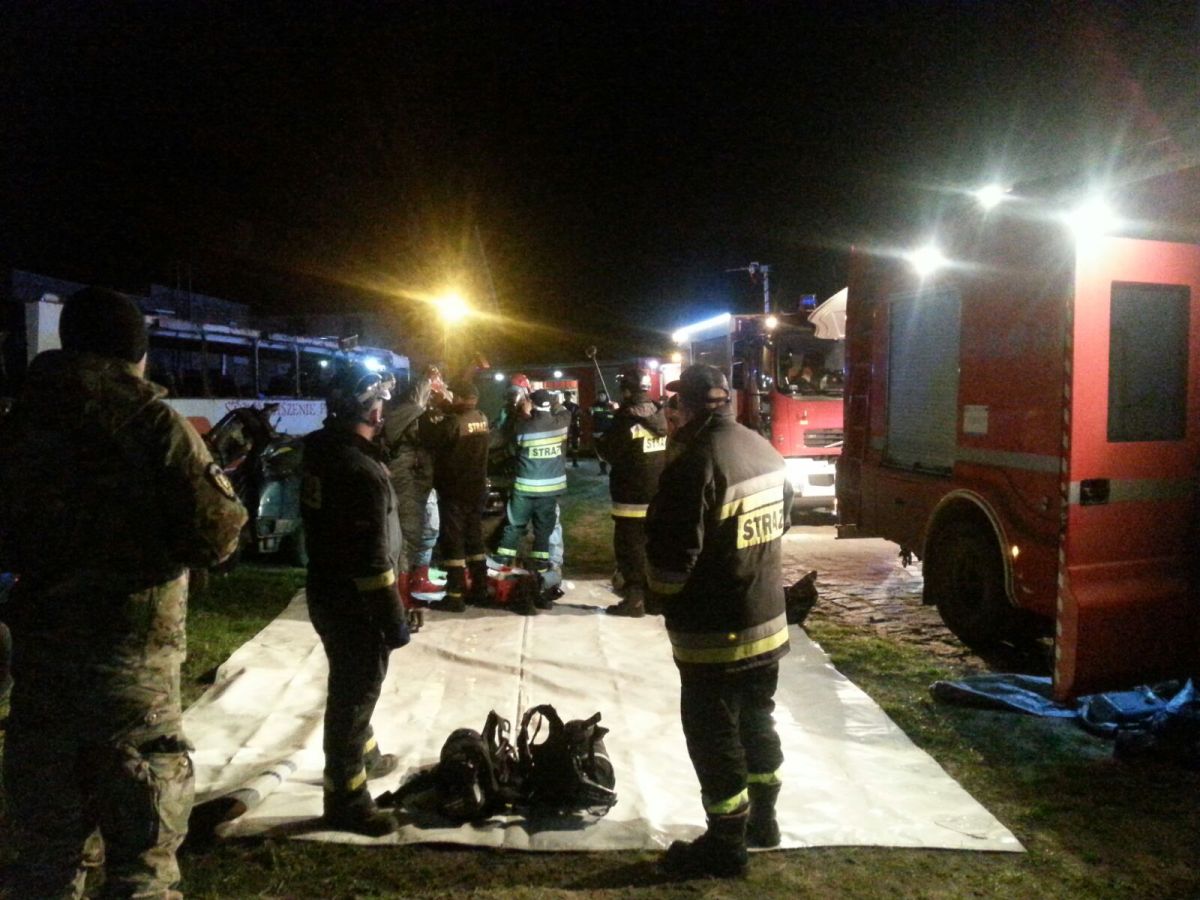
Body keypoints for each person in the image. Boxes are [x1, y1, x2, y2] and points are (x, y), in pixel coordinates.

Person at [0, 286, 247, 897]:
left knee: (43, 864)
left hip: (42, 679)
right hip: (132, 689)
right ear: (135, 352)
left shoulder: (21, 425)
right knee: (142, 869)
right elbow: (216, 536)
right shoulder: (153, 425)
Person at [644, 364, 794, 879]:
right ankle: (764, 822)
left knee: (713, 735)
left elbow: (672, 559)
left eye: (673, 406)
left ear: (685, 407)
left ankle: (726, 844)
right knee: (758, 719)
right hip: (766, 619)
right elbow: (782, 522)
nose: (669, 415)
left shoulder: (694, 463)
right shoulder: (762, 448)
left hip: (715, 632)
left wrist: (658, 597)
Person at [301, 363, 410, 836]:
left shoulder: (322, 451)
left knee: (352, 684)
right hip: (357, 603)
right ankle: (346, 799)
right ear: (368, 408)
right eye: (379, 400)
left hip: (327, 590)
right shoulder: (359, 470)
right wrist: (393, 618)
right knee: (355, 694)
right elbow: (371, 562)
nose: (383, 408)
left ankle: (367, 756)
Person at [598, 367, 668, 617]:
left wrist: (608, 428)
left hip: (630, 497)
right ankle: (655, 600)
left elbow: (608, 452)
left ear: (627, 391)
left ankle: (635, 600)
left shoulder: (625, 419)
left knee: (630, 549)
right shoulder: (660, 413)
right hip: (658, 496)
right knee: (655, 548)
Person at [495, 389, 571, 605]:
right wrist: (550, 403)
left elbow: (509, 444)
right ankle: (541, 574)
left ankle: (501, 569)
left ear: (531, 404)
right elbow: (563, 410)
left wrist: (523, 409)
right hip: (549, 491)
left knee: (514, 528)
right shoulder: (561, 423)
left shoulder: (523, 426)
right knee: (543, 533)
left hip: (525, 489)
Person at [381, 365, 444, 605]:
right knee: (408, 534)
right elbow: (419, 401)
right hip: (406, 476)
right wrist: (428, 379)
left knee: (429, 528)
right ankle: (403, 590)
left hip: (419, 476)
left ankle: (419, 578)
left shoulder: (413, 411)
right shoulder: (407, 412)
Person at [426, 382, 491, 610]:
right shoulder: (481, 417)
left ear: (461, 398)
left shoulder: (453, 422)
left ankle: (455, 595)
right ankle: (480, 589)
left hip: (455, 489)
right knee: (474, 537)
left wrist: (433, 412)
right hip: (477, 488)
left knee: (453, 540)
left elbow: (431, 438)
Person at [589, 390, 615, 474]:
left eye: (602, 395)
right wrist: (590, 411)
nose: (600, 397)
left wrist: (602, 414)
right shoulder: (594, 405)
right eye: (599, 395)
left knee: (608, 450)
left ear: (606, 396)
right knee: (599, 452)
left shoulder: (610, 405)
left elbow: (612, 416)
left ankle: (613, 469)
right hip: (596, 431)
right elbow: (589, 413)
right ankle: (603, 469)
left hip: (607, 432)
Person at [562, 389, 582, 468]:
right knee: (564, 445)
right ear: (564, 397)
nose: (567, 397)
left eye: (568, 396)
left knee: (575, 445)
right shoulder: (561, 406)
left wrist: (580, 428)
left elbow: (580, 415)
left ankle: (575, 461)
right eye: (566, 396)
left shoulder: (575, 406)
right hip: (564, 427)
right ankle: (563, 461)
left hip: (574, 427)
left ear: (570, 397)